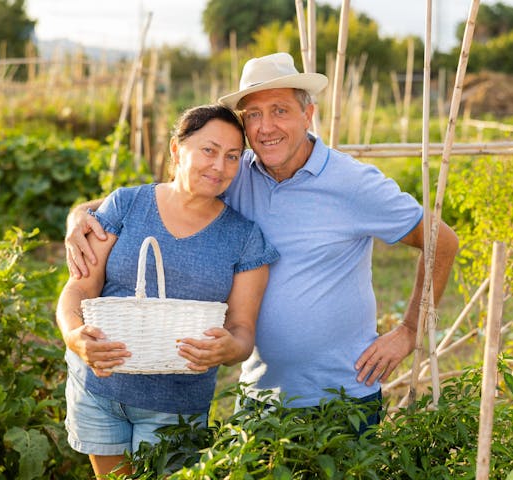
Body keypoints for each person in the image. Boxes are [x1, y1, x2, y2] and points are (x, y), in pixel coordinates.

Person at [66, 53, 458, 426]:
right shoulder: (236, 173)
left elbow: (442, 241)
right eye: (254, 114)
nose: (266, 127)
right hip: (259, 396)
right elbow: (161, 196)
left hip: (343, 395)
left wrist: (409, 329)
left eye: (280, 111)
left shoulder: (353, 183)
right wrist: (81, 212)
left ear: (308, 114)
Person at [56, 104, 279, 476]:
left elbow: (242, 332)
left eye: (232, 156)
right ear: (176, 150)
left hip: (175, 405)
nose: (219, 166)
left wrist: (229, 349)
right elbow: (78, 289)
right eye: (208, 150)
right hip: (100, 390)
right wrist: (74, 336)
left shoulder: (244, 238)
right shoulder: (127, 205)